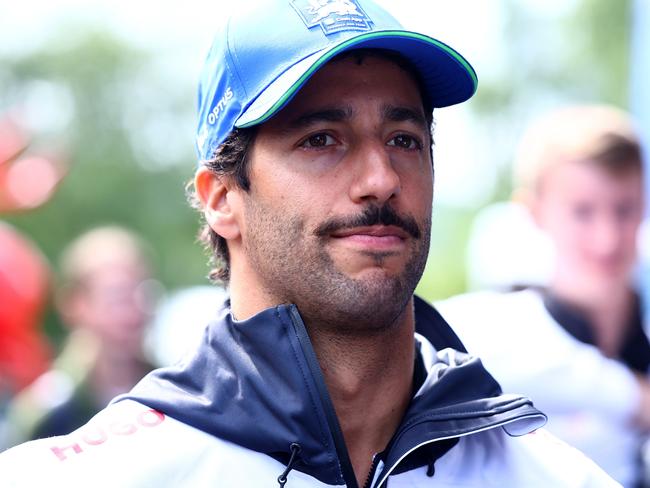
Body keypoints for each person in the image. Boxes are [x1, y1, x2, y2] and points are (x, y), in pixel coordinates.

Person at [0, 1, 618, 486]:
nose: (380, 179)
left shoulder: (558, 477)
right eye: (321, 139)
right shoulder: (81, 476)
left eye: (404, 139)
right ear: (221, 198)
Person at [437, 104, 649, 487]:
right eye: (582, 212)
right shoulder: (483, 331)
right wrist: (627, 395)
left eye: (625, 209)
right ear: (534, 213)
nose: (608, 239)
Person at [2, 226, 157, 448]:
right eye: (117, 297)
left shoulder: (172, 393)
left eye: (141, 291)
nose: (133, 311)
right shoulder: (49, 411)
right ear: (76, 305)